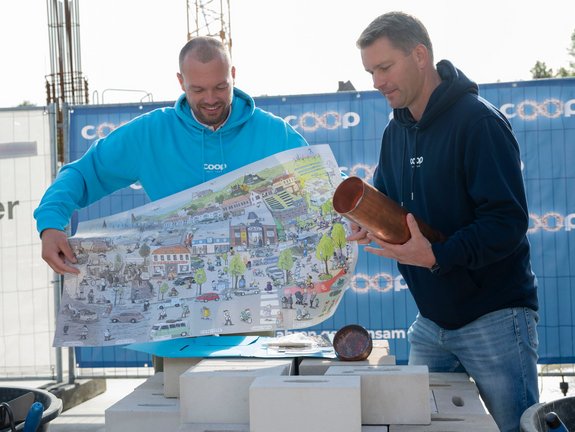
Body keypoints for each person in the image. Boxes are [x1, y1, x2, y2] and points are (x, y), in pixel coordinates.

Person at [350, 12, 539, 431]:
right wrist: (369, 222)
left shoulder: (479, 122)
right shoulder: (393, 133)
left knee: (519, 428)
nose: (377, 82)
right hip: (432, 322)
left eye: (384, 67)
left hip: (496, 319)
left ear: (419, 55)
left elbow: (506, 223)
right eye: (370, 72)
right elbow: (392, 207)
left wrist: (437, 255)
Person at [34, 36, 308, 274]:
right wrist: (50, 224)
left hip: (253, 298)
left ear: (233, 74)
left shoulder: (273, 133)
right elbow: (81, 174)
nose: (211, 99)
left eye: (220, 87)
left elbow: (322, 176)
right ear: (181, 81)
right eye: (198, 90)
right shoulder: (150, 134)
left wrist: (350, 211)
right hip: (175, 298)